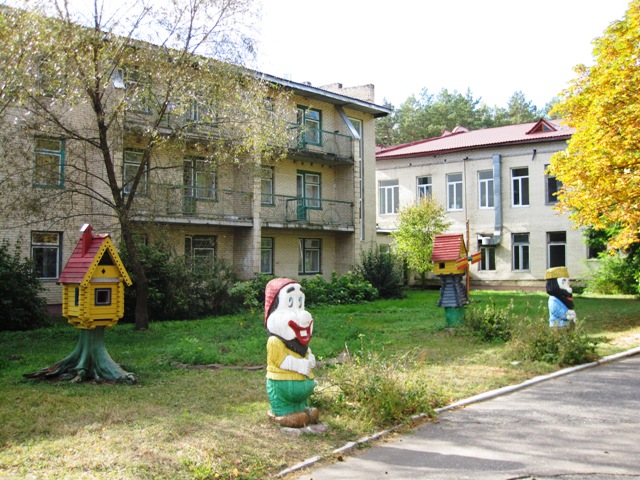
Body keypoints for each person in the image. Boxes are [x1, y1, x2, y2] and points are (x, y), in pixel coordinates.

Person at [264, 278, 319, 428]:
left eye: (300, 303)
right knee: (296, 417)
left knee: (309, 415)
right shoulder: (274, 341)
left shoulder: (301, 345)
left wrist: (310, 360)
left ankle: (301, 408)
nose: (302, 315)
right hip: (282, 391)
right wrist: (301, 365)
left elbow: (307, 355)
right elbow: (281, 361)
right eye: (290, 302)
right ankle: (281, 413)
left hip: (301, 394)